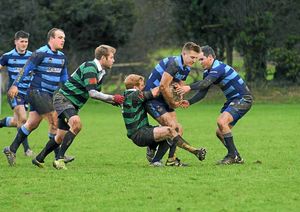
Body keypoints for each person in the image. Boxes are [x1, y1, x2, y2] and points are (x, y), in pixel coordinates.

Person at [31, 44, 124, 170]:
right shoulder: (90, 67)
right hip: (64, 99)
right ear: (103, 58)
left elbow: (96, 94)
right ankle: (60, 159)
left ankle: (39, 158)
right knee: (76, 124)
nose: (114, 60)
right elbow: (92, 93)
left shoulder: (100, 72)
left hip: (71, 103)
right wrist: (112, 98)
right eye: (112, 57)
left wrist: (113, 102)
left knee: (59, 137)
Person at [3, 28, 73, 166]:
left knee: (32, 123)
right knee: (54, 119)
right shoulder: (40, 53)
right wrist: (15, 85)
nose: (63, 40)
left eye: (64, 38)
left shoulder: (62, 57)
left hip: (50, 94)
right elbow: (25, 69)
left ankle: (11, 149)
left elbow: (65, 79)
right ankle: (58, 155)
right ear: (51, 39)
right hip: (36, 91)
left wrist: (71, 92)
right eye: (60, 37)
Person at [180, 45, 253, 165]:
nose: (199, 62)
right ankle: (236, 157)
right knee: (220, 132)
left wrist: (188, 87)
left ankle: (232, 156)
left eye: (201, 59)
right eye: (198, 60)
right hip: (233, 100)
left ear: (210, 57)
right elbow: (203, 92)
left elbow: (205, 83)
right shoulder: (208, 71)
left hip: (243, 98)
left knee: (222, 122)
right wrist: (190, 101)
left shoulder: (218, 68)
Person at [122, 74, 206, 166]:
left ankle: (164, 158)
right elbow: (155, 92)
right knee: (169, 131)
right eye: (142, 85)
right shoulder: (134, 95)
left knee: (173, 129)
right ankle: (193, 151)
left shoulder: (128, 95)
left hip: (144, 130)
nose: (144, 87)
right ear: (135, 87)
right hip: (139, 135)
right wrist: (167, 84)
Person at [144, 41, 201, 166]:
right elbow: (163, 86)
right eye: (192, 57)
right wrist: (173, 103)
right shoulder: (174, 64)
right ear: (184, 54)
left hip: (164, 99)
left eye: (196, 58)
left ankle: (171, 159)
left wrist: (180, 95)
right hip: (152, 99)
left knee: (178, 128)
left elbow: (180, 83)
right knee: (172, 128)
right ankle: (155, 159)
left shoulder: (186, 67)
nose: (194, 60)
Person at [0, 31, 34, 157]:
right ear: (15, 42)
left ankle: (1, 123)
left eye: (26, 41)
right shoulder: (7, 56)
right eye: (21, 41)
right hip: (13, 93)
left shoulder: (32, 56)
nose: (24, 44)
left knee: (17, 121)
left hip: (27, 94)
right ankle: (27, 150)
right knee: (24, 119)